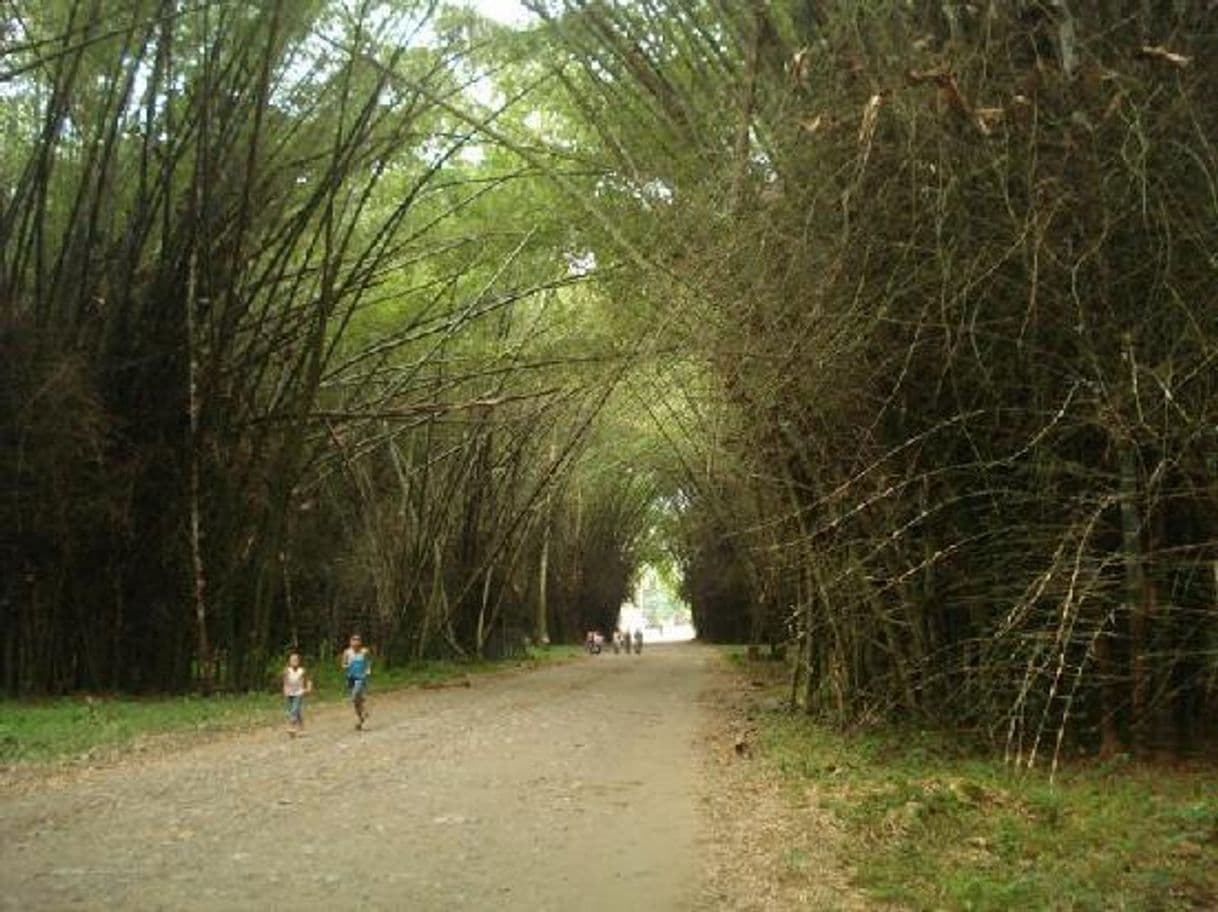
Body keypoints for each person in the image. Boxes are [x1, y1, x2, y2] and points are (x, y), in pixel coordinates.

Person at [341, 633, 372, 730]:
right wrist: (347, 666)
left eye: (357, 640)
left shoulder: (364, 651)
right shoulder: (347, 652)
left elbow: (368, 661)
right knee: (356, 701)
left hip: (361, 677)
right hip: (351, 678)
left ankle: (364, 711)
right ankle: (360, 719)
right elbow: (343, 664)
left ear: (360, 642)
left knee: (355, 695)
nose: (355, 642)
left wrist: (367, 670)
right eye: (353, 640)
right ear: (350, 642)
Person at [282, 652, 313, 737]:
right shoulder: (287, 670)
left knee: (294, 709)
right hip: (289, 693)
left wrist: (308, 689)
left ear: (299, 661)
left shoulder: (302, 671)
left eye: (296, 659)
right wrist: (285, 691)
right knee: (296, 712)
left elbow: (308, 680)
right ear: (289, 661)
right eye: (292, 660)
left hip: (299, 693)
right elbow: (285, 682)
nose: (294, 661)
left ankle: (292, 727)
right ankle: (302, 729)